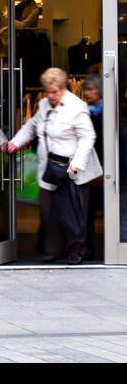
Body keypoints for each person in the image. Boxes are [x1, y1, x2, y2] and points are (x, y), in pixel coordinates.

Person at [4, 66, 101, 264]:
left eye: (54, 92)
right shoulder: (43, 105)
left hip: (73, 170)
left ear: (64, 88)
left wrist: (77, 164)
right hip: (50, 168)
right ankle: (53, 249)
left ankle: (76, 251)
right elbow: (31, 126)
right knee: (48, 210)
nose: (50, 96)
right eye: (48, 92)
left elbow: (87, 137)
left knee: (74, 210)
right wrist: (15, 142)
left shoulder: (77, 107)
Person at [80, 74, 106, 259]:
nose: (87, 93)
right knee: (88, 212)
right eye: (85, 90)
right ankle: (88, 249)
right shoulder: (83, 113)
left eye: (91, 89)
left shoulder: (112, 112)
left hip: (109, 168)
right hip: (90, 169)